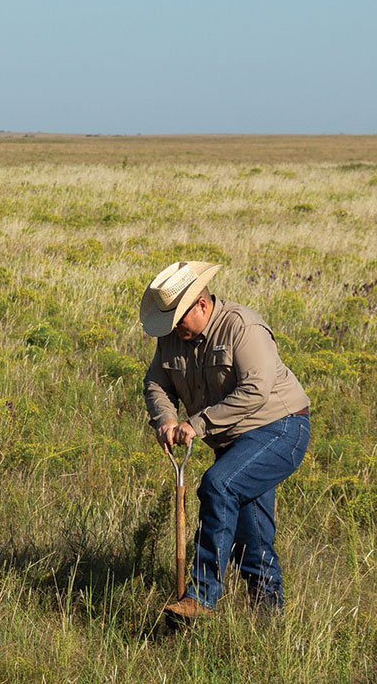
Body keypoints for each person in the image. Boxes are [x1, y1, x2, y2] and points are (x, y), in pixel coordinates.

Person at [140, 260, 311, 618]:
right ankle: (268, 617)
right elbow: (156, 382)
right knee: (253, 533)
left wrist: (198, 424)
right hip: (236, 441)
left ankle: (200, 598)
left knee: (218, 486)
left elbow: (256, 389)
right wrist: (167, 418)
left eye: (179, 320)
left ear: (201, 304)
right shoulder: (172, 338)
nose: (174, 329)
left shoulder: (242, 326)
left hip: (281, 428)